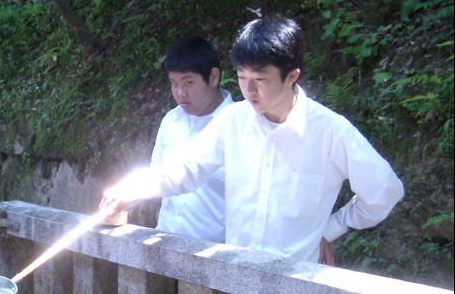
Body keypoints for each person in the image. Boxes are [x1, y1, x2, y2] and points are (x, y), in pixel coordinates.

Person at [101, 15, 404, 265]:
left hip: (295, 290)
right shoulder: (233, 121)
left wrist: (330, 228)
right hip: (236, 282)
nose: (249, 90)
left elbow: (383, 192)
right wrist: (130, 190)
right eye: (242, 77)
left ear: (291, 75)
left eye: (260, 79)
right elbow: (184, 170)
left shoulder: (330, 132)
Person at [150, 36, 234, 243]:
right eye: (174, 83)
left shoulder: (240, 127)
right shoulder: (171, 121)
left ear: (213, 77)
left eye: (188, 82)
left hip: (216, 257)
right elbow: (155, 177)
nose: (180, 93)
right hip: (164, 248)